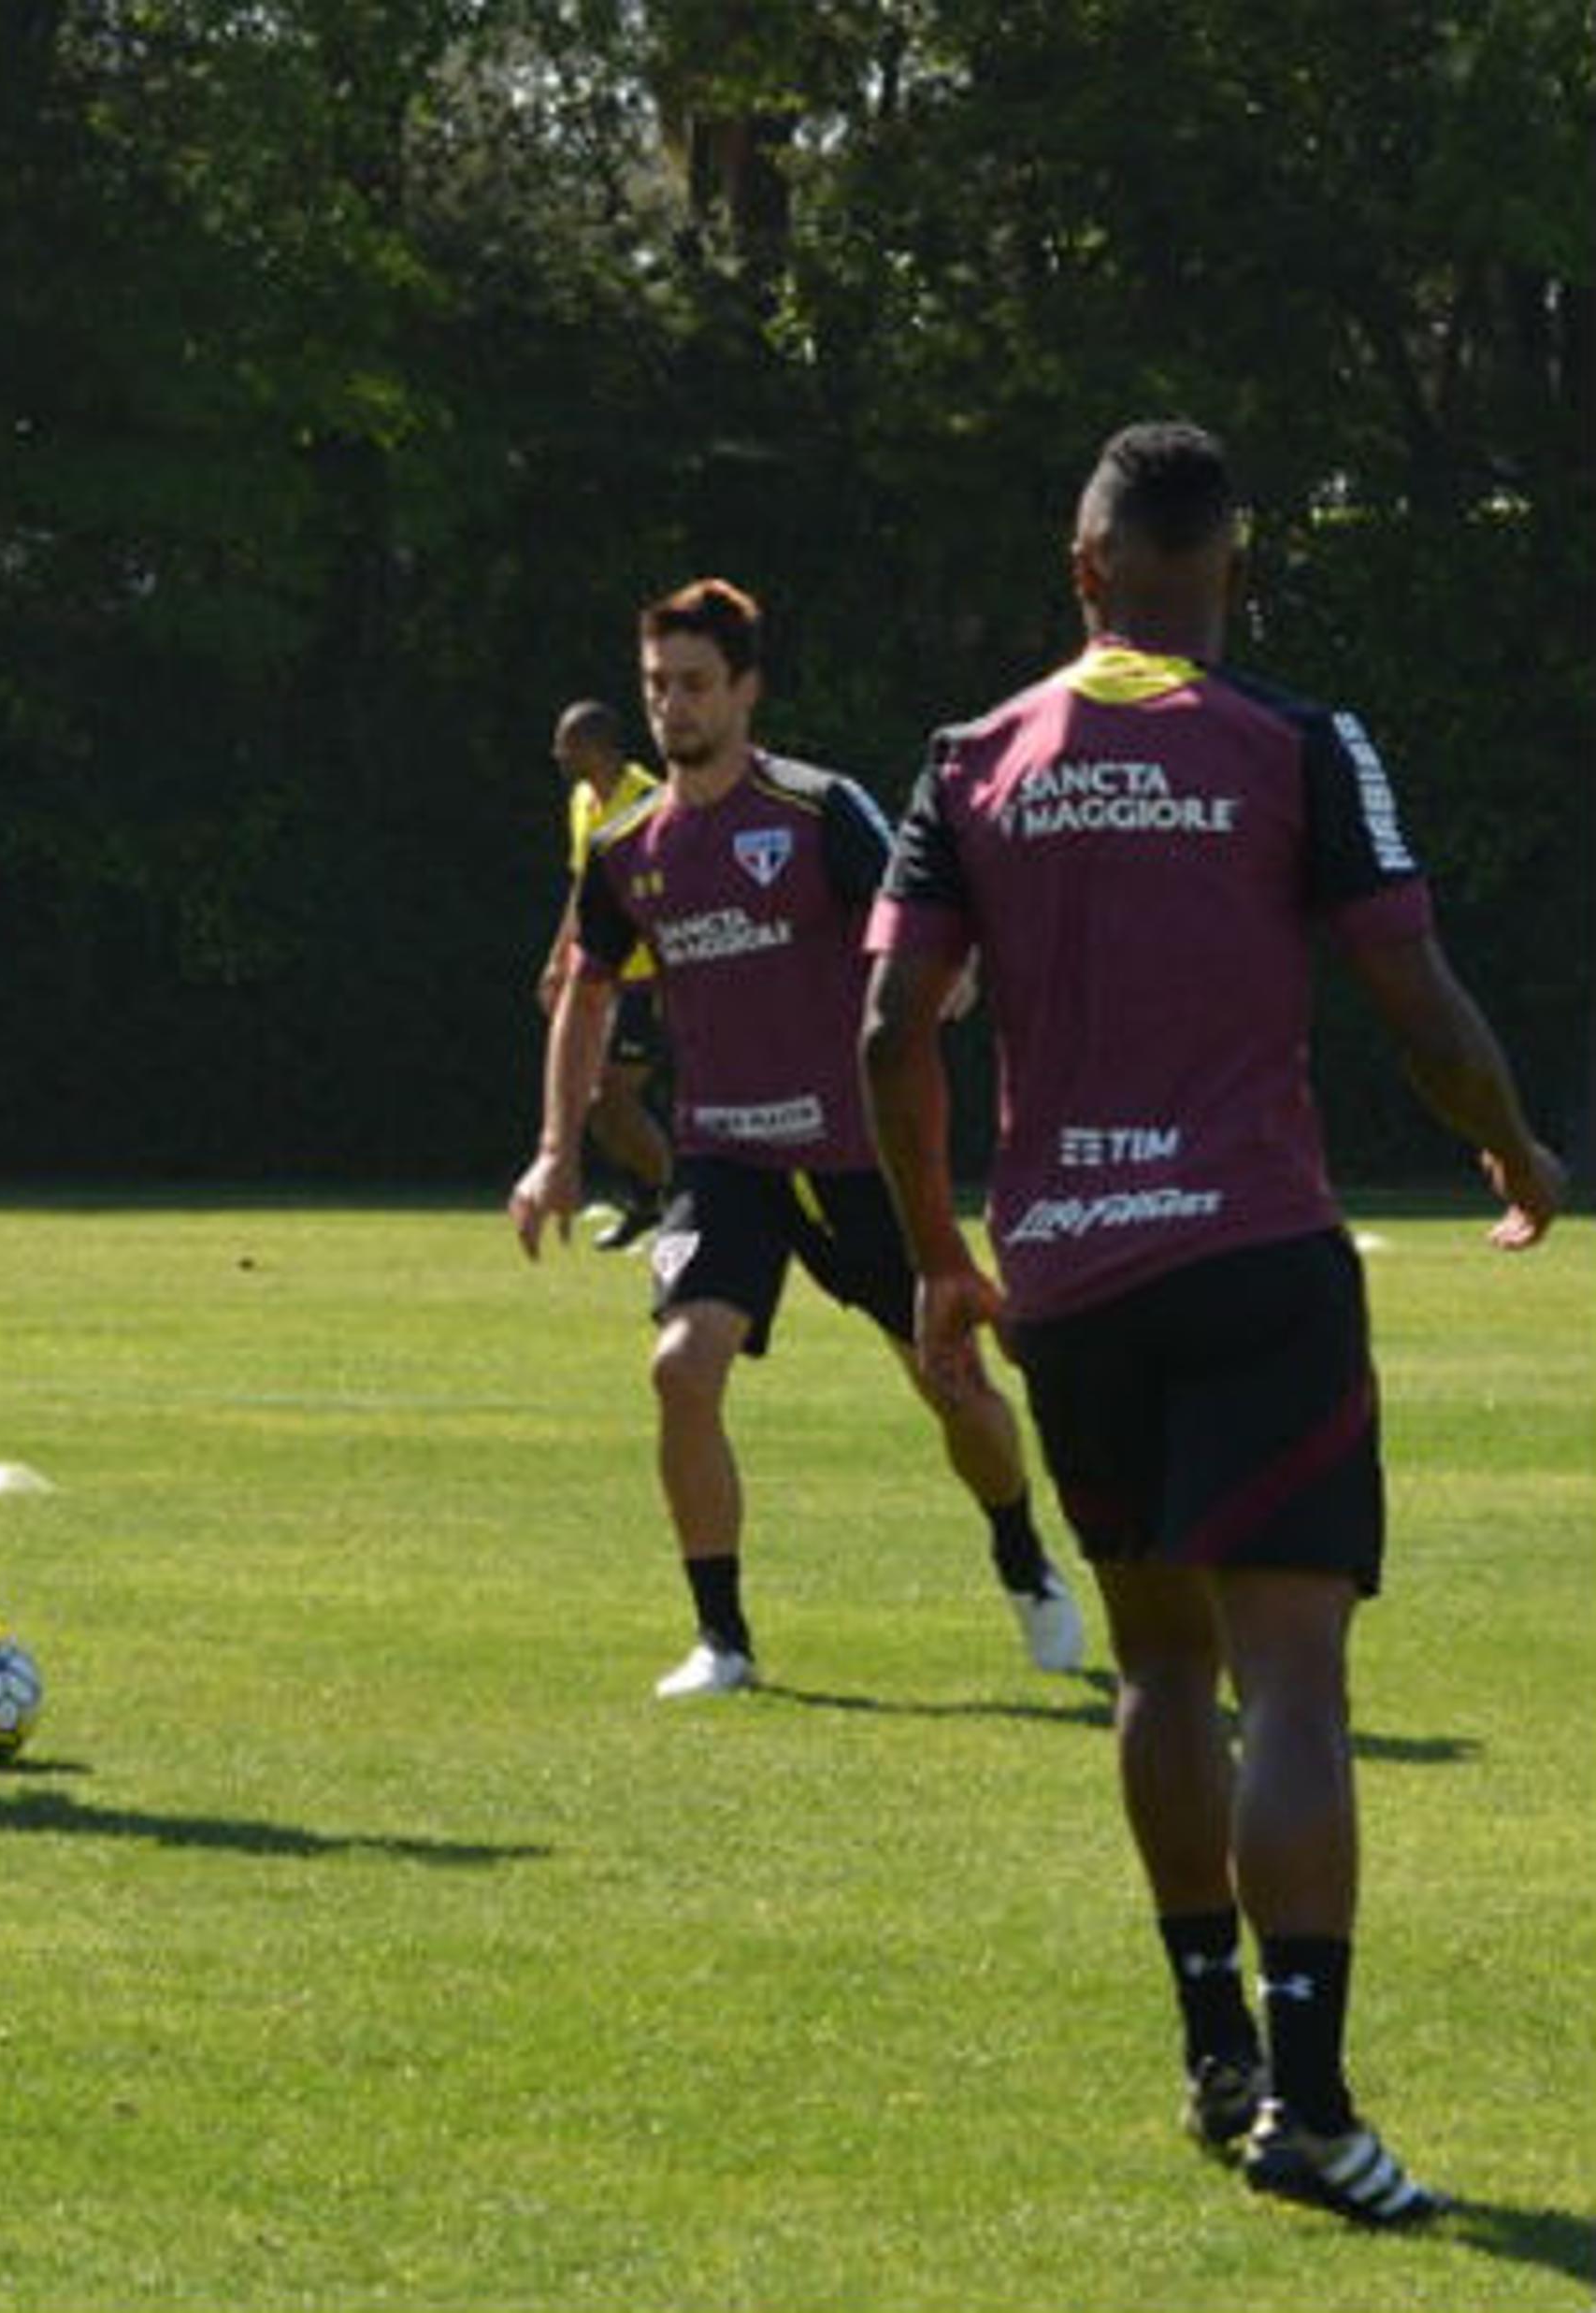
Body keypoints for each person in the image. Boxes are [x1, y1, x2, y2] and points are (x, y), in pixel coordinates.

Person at [862, 422, 1562, 2226]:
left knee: (1164, 1667)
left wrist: (944, 1256)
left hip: (1073, 1281)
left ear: (1083, 568)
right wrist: (1509, 1140)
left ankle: (1216, 2048)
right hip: (1255, 1256)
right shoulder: (1299, 743)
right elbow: (1408, 987)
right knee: (1297, 1683)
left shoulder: (969, 759)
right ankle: (1314, 2107)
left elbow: (888, 1034)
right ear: (1228, 573)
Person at [510, 578, 1081, 1698]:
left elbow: (921, 932)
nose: (673, 706)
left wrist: (947, 982)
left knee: (952, 1383)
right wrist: (556, 1149)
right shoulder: (625, 843)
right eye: (657, 685)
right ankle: (722, 1638)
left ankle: (1023, 1556)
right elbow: (586, 992)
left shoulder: (820, 812)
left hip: (859, 1152)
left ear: (746, 691)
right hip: (724, 1154)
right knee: (681, 1367)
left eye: (695, 684)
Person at [539, 700, 669, 1250]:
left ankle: (678, 1198)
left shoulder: (648, 799)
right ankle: (651, 1201)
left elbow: (676, 886)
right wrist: (558, 958)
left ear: (599, 745)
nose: (558, 753)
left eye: (568, 742)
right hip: (605, 978)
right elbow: (583, 891)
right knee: (599, 1103)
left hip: (652, 978)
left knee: (610, 1093)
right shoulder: (582, 801)